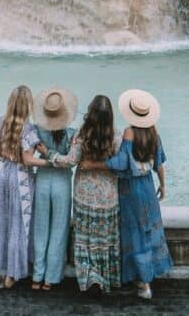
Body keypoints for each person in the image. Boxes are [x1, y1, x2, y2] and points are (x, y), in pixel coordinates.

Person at [81, 89, 172, 301]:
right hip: (148, 187)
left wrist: (93, 164)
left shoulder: (129, 133)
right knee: (148, 230)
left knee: (134, 234)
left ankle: (142, 283)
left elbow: (121, 163)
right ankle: (147, 276)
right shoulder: (154, 134)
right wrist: (163, 186)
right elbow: (159, 163)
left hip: (131, 190)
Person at [49, 95, 122, 294]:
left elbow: (70, 161)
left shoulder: (82, 134)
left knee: (86, 240)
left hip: (83, 196)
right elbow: (121, 166)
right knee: (104, 240)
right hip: (108, 197)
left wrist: (50, 155)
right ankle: (105, 277)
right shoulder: (116, 136)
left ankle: (90, 278)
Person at [0, 85, 48, 288]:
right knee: (17, 226)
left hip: (3, 173)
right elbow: (28, 160)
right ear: (27, 105)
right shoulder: (29, 129)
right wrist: (50, 162)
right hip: (21, 178)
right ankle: (11, 275)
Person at [31, 87, 78, 290]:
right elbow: (71, 162)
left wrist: (46, 153)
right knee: (59, 230)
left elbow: (30, 156)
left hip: (42, 180)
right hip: (62, 183)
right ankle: (50, 278)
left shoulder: (37, 131)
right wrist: (54, 155)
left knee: (41, 228)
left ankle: (37, 276)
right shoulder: (72, 134)